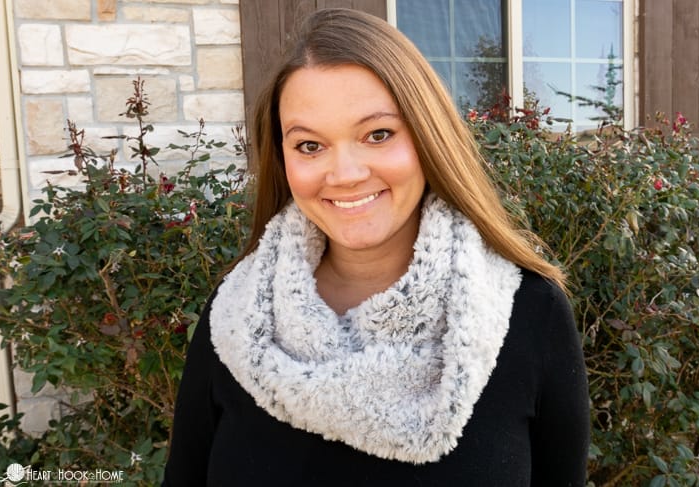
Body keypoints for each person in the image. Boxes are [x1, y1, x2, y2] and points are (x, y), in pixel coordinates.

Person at [163, 7, 590, 486]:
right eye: (309, 145)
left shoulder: (530, 314)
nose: (344, 173)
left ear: (429, 137)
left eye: (378, 134)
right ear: (282, 158)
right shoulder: (237, 316)